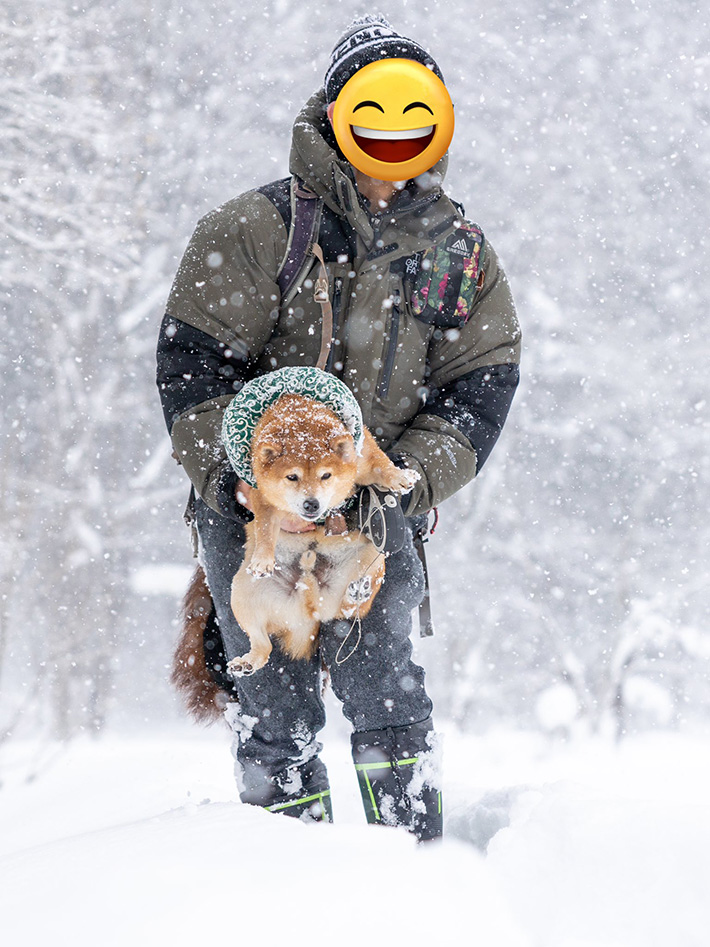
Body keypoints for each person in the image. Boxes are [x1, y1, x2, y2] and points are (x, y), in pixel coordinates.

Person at [156, 15, 521, 841]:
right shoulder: (254, 232)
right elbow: (192, 373)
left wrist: (407, 478)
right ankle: (291, 886)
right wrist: (243, 485)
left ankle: (414, 867)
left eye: (411, 114)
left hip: (375, 507)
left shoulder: (459, 252)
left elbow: (482, 381)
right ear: (336, 115)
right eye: (375, 111)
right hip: (250, 510)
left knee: (385, 684)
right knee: (273, 698)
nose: (394, 134)